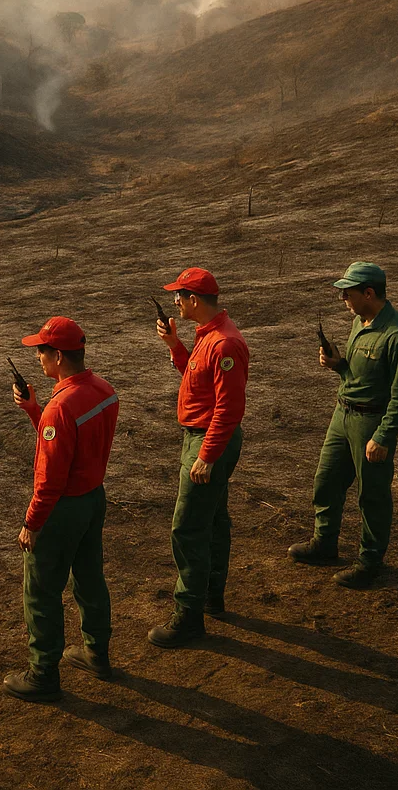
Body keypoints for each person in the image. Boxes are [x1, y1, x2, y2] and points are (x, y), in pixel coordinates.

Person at [2, 316, 119, 703]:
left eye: (40, 351)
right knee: (89, 577)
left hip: (62, 510)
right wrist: (35, 410)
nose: (37, 358)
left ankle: (43, 673)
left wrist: (31, 523)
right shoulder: (104, 390)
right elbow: (75, 443)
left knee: (41, 592)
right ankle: (97, 653)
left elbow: (50, 477)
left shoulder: (61, 407)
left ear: (57, 355)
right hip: (92, 500)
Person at [288, 262, 398, 589]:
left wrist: (383, 436)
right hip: (342, 415)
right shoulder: (360, 322)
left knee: (371, 495)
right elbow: (358, 377)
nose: (343, 298)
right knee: (327, 481)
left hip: (371, 423)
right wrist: (338, 365)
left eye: (347, 292)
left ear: (369, 293)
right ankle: (325, 543)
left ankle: (369, 561)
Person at [150, 267, 250, 648]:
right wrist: (176, 347)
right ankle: (211, 595)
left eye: (180, 296)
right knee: (214, 518)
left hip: (209, 440)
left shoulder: (224, 344)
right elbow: (196, 380)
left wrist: (206, 455)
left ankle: (188, 616)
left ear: (194, 300)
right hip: (208, 438)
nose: (175, 302)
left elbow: (228, 408)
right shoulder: (207, 336)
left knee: (188, 526)